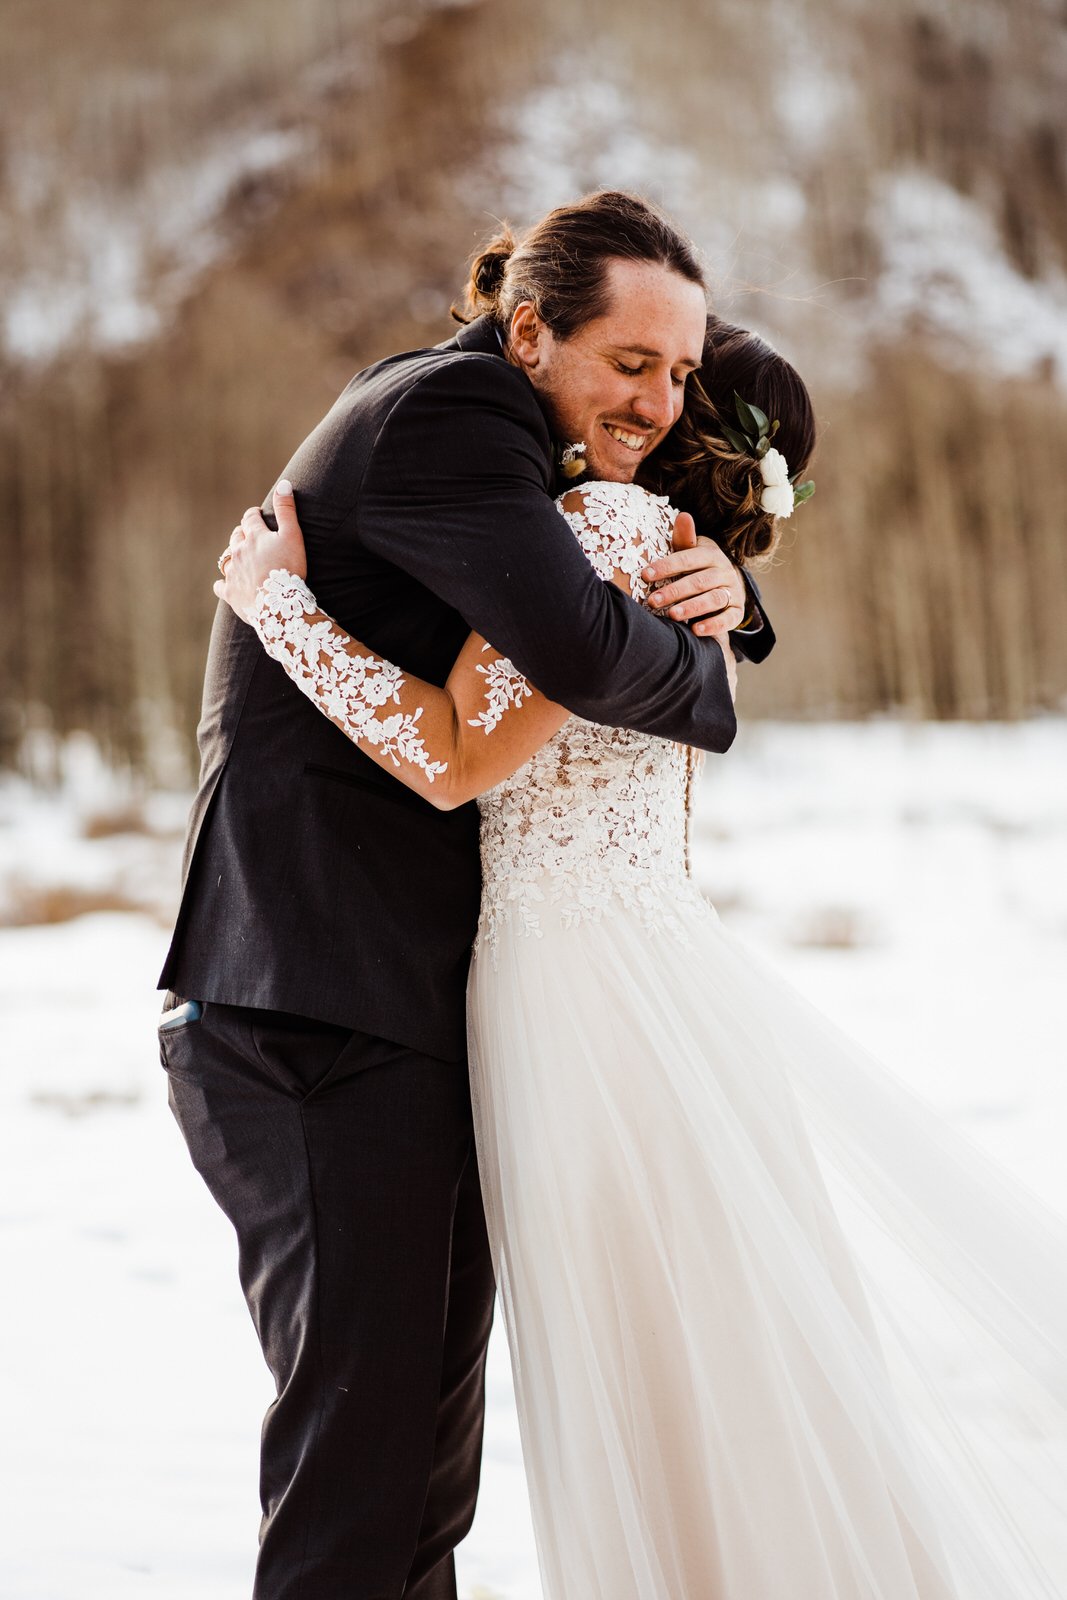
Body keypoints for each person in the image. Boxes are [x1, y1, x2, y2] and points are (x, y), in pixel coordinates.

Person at [217, 313, 1067, 1599]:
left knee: (637, 1362)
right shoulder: (682, 559)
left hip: (571, 983)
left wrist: (282, 609)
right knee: (709, 1356)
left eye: (671, 380)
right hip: (642, 964)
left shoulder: (598, 536)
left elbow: (453, 757)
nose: (642, 398)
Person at [157, 192, 780, 1600]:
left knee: (413, 1482)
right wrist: (718, 658)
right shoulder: (460, 420)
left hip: (410, 1007)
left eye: (682, 378)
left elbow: (722, 382)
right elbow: (541, 668)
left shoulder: (564, 476)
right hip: (307, 1002)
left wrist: (735, 601)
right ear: (523, 330)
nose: (659, 396)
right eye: (628, 363)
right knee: (364, 1478)